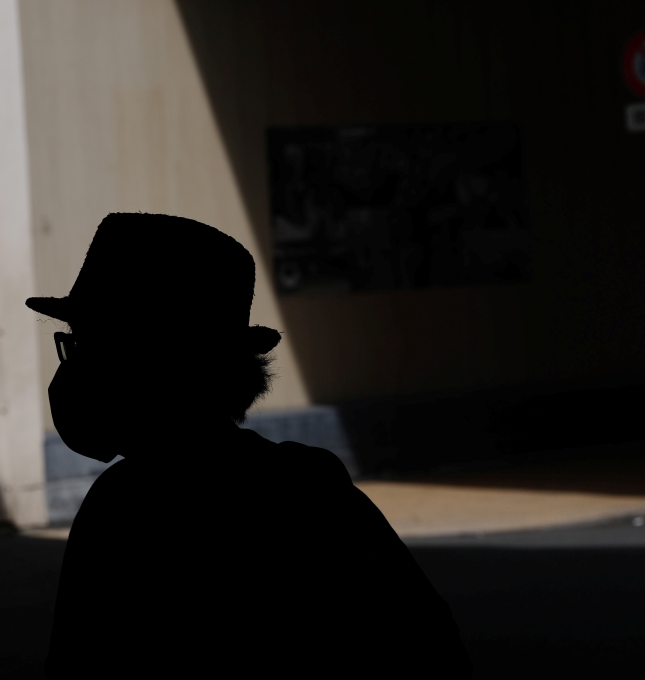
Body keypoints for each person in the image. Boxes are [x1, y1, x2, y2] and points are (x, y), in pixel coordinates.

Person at [27, 213, 471, 677]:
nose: (76, 367)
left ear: (160, 361)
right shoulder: (311, 488)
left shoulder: (120, 510)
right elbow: (436, 653)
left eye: (91, 345)